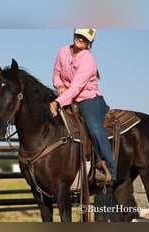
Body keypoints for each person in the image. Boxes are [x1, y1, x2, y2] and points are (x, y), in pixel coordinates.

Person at [49, 29, 117, 184]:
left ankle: (110, 170)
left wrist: (58, 101)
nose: (80, 39)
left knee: (94, 128)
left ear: (90, 42)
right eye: (78, 35)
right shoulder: (63, 51)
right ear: (74, 34)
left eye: (85, 38)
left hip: (88, 99)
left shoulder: (88, 61)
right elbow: (56, 74)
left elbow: (75, 88)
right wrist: (59, 85)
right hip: (66, 96)